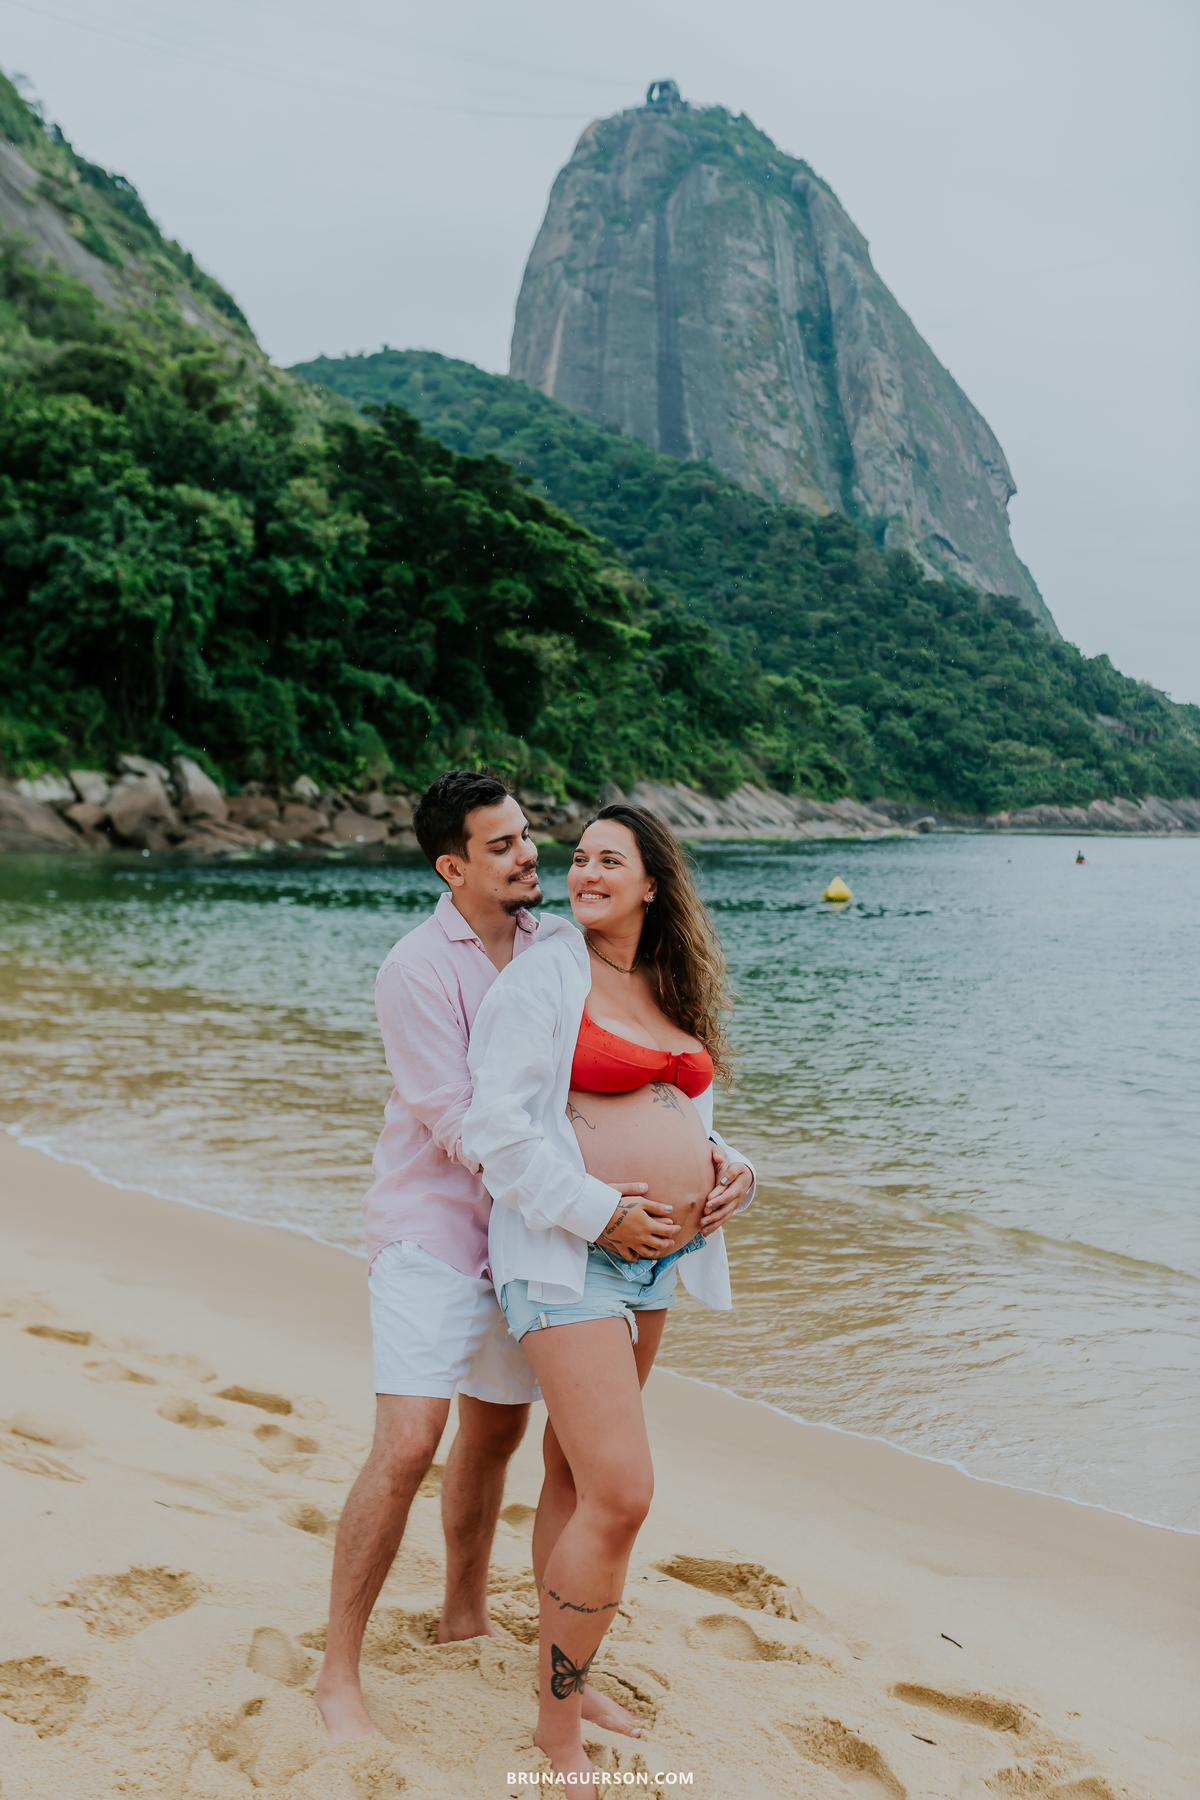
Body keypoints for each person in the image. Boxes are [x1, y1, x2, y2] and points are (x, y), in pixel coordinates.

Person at [314, 770, 649, 1744]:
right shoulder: (415, 967)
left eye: (526, 835)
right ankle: (338, 1672)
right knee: (411, 1440)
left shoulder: (558, 942)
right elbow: (463, 1122)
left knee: (498, 1434)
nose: (528, 852)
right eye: (500, 845)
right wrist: (586, 1200)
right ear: (451, 866)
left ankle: (465, 1609)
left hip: (527, 1233)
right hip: (430, 1229)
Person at [462, 802, 755, 1786]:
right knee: (625, 1493)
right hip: (569, 1254)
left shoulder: (667, 981)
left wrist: (728, 1167)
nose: (583, 871)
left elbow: (683, 1111)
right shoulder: (545, 974)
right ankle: (554, 1736)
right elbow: (496, 1130)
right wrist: (600, 1213)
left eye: (607, 859)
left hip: (660, 1262)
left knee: (579, 1480)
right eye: (577, 857)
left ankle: (569, 1674)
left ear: (651, 884)